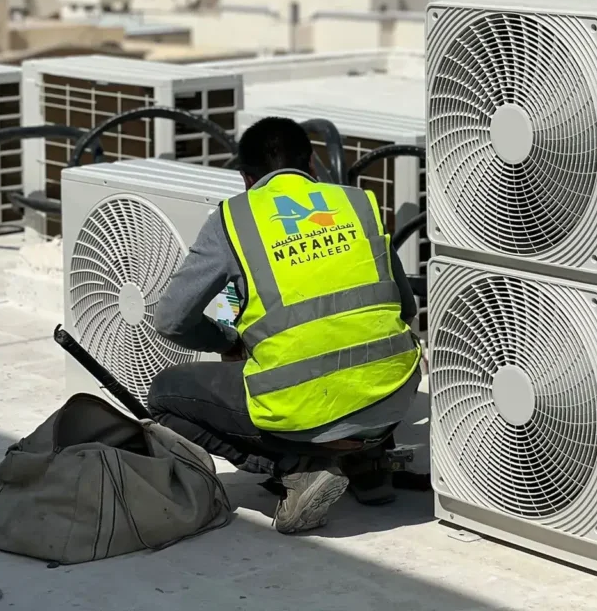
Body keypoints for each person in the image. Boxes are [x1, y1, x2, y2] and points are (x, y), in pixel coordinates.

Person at [149, 116, 422, 534]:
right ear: (312, 163)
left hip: (301, 405)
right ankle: (369, 464)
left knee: (164, 397)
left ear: (246, 178)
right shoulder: (357, 203)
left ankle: (298, 469)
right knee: (358, 348)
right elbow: (405, 308)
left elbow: (170, 319)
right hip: (395, 394)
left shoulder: (233, 219)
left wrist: (227, 342)